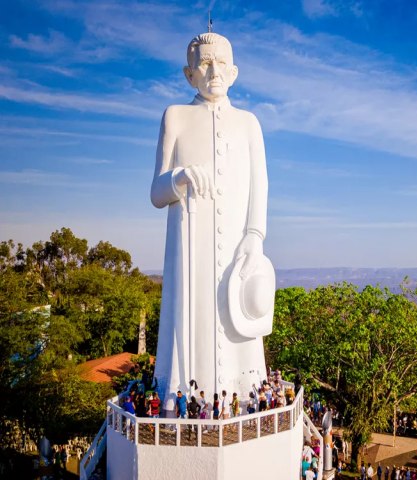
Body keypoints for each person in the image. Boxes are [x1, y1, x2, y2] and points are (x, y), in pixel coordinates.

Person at [151, 30, 273, 415]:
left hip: (238, 250)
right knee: (192, 324)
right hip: (191, 251)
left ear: (234, 72)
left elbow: (261, 183)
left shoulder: (249, 123)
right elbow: (156, 192)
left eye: (221, 62)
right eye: (204, 62)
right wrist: (178, 177)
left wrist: (254, 235)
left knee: (239, 326)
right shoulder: (175, 116)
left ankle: (245, 396)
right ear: (189, 75)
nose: (213, 70)